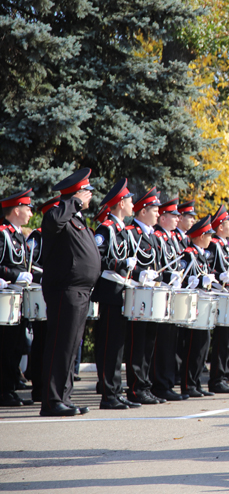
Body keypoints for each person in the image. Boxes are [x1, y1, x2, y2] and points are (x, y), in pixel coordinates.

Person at [40, 168, 102, 416]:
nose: (90, 198)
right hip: (66, 290)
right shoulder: (58, 213)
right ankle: (52, 401)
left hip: (80, 291)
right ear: (79, 194)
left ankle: (63, 398)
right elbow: (53, 222)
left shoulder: (76, 219)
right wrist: (73, 202)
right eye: (87, 193)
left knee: (71, 345)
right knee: (61, 346)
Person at [91, 179, 142, 410]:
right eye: (130, 200)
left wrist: (143, 274)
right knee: (109, 344)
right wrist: (120, 263)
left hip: (122, 292)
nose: (133, 204)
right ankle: (108, 394)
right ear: (121, 203)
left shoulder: (124, 230)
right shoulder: (106, 228)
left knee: (118, 345)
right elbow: (97, 259)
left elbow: (131, 263)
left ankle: (115, 390)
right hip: (110, 293)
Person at [124, 187, 171, 405]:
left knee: (149, 343)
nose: (158, 214)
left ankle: (145, 386)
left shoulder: (152, 236)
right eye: (154, 210)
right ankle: (135, 388)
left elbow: (159, 266)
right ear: (143, 211)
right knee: (138, 344)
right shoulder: (131, 232)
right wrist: (138, 273)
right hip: (137, 296)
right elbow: (122, 263)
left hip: (152, 296)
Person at [150, 198, 189, 402]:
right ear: (163, 218)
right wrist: (168, 277)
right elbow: (155, 268)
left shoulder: (172, 238)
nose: (178, 219)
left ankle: (167, 382)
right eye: (174, 216)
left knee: (171, 341)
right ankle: (160, 384)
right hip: (161, 293)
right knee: (163, 342)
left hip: (173, 293)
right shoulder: (157, 237)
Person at [0, 189, 36, 407]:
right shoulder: (2, 233)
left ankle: (10, 386)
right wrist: (15, 275)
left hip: (17, 297)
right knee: (5, 345)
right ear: (16, 210)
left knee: (15, 345)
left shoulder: (19, 235)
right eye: (28, 208)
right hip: (5, 298)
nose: (31, 213)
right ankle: (4, 391)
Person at [23, 196, 60, 404]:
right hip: (41, 296)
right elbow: (28, 267)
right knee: (41, 342)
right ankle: (38, 386)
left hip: (57, 293)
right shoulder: (37, 236)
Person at [178, 215, 218, 397]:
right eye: (209, 235)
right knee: (193, 345)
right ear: (201, 236)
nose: (211, 238)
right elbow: (182, 278)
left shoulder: (201, 255)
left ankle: (195, 383)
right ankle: (188, 384)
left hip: (203, 304)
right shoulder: (189, 254)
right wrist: (196, 280)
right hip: (193, 305)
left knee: (203, 345)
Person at [207, 205, 229, 393]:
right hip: (219, 295)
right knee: (222, 340)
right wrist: (221, 277)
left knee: (228, 340)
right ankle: (217, 378)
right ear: (220, 227)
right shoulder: (213, 244)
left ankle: (223, 377)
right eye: (228, 223)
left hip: (227, 295)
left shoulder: (224, 245)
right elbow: (209, 269)